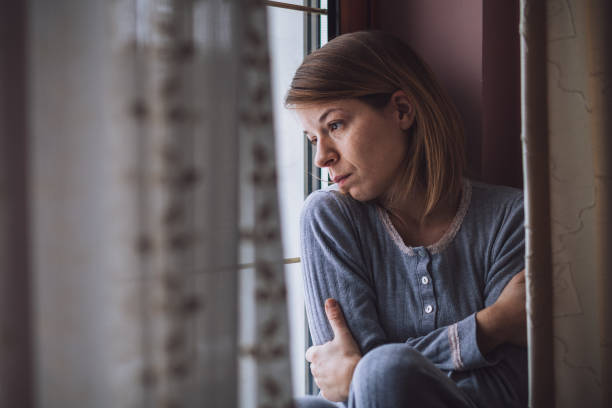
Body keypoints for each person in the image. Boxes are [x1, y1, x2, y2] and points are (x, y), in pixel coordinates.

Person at [285, 31, 527, 408]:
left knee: (384, 370)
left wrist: (366, 370)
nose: (321, 158)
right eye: (312, 139)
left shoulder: (510, 218)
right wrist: (489, 326)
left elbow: (506, 389)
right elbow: (353, 390)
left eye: (334, 125)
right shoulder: (328, 219)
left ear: (401, 111)